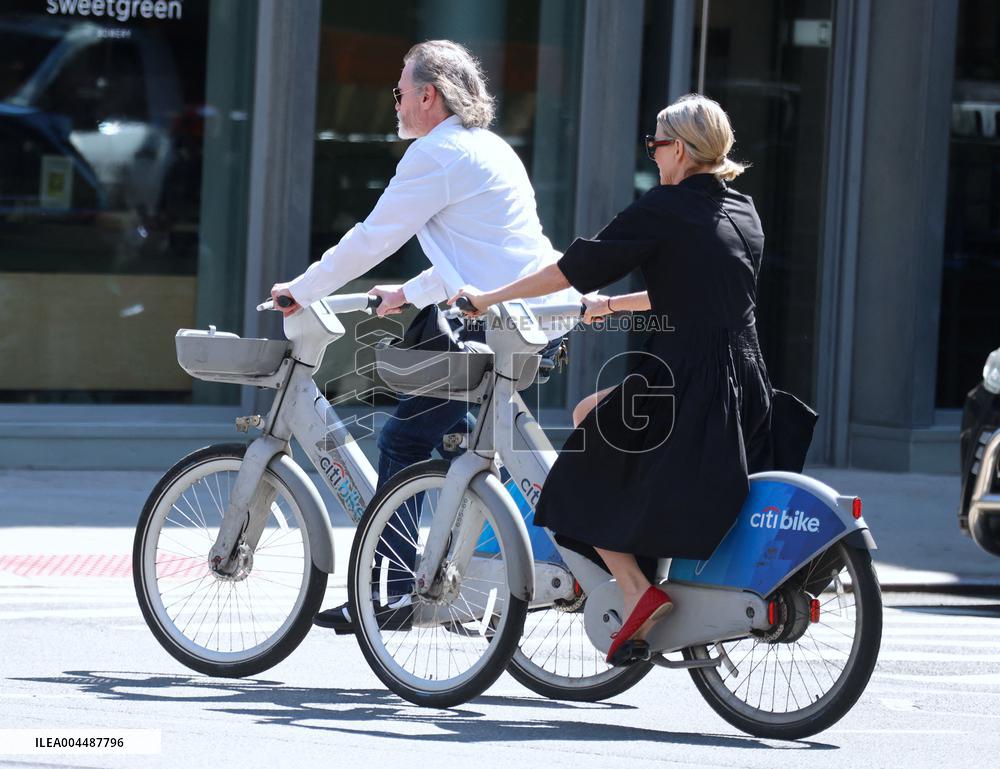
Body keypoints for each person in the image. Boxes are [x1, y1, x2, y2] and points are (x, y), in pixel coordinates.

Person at [451, 94, 772, 665]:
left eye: (656, 145)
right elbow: (695, 289)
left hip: (684, 386)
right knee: (591, 417)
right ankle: (645, 582)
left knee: (575, 482)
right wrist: (610, 306)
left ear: (682, 150)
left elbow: (570, 269)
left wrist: (488, 298)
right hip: (744, 383)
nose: (653, 155)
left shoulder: (666, 207)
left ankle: (635, 588)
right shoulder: (742, 211)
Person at [270, 40, 575, 632]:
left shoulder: (435, 154)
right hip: (533, 319)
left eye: (400, 92)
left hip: (500, 325)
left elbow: (371, 238)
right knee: (461, 441)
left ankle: (389, 595)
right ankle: (459, 569)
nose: (396, 103)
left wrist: (302, 289)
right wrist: (408, 293)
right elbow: (481, 255)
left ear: (429, 95)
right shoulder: (488, 147)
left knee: (403, 441)